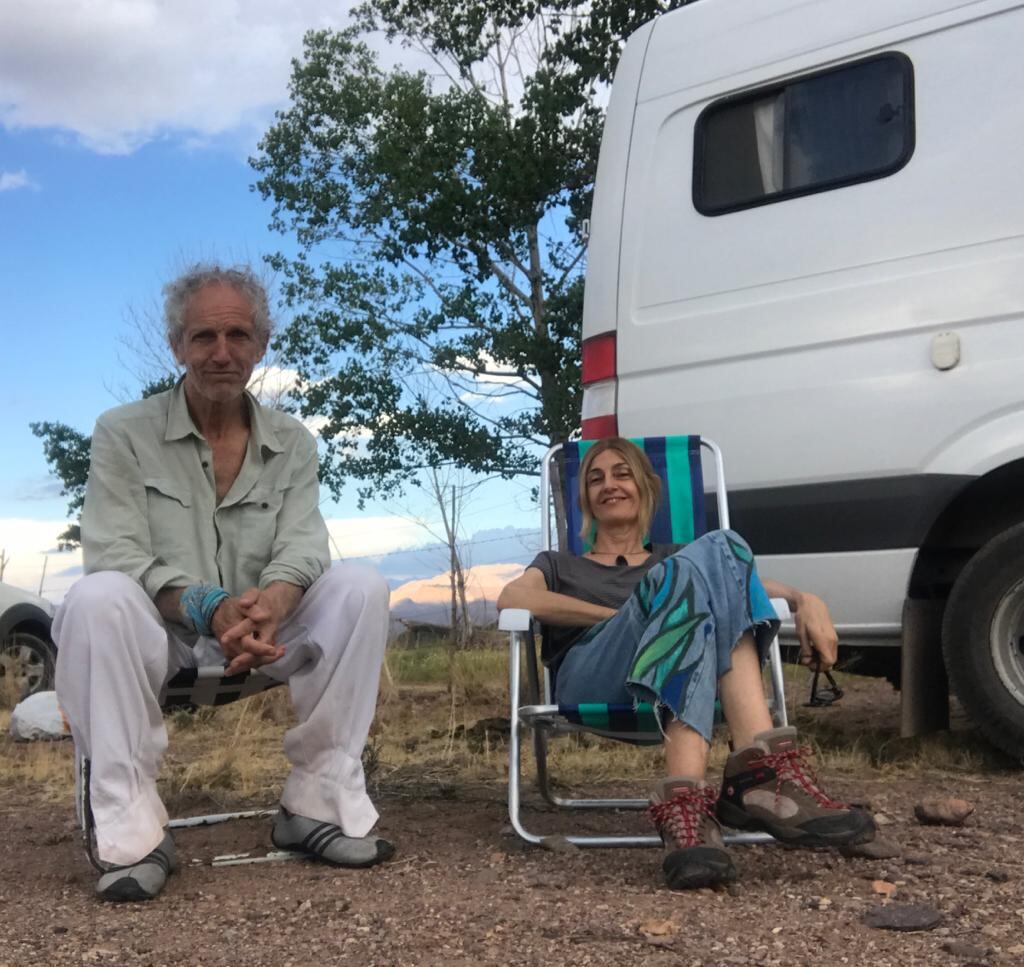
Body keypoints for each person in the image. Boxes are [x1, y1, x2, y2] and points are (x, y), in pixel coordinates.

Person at [54, 264, 393, 902]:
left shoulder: (293, 442)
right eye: (203, 336)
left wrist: (273, 602)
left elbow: (302, 543)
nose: (221, 353)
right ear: (176, 345)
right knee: (95, 597)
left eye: (238, 335)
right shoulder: (121, 433)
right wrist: (205, 605)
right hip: (164, 639)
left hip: (265, 638)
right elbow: (116, 550)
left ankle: (316, 805)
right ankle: (132, 831)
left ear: (260, 346)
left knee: (361, 585)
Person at [497, 438, 875, 890]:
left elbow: (739, 579)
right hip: (595, 675)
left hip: (676, 674)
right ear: (584, 500)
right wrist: (632, 617)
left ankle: (706, 803)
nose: (608, 485)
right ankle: (756, 780)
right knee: (690, 580)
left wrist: (804, 598)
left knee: (722, 552)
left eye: (622, 474)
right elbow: (512, 597)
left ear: (645, 487)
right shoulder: (560, 565)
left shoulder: (681, 559)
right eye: (595, 478)